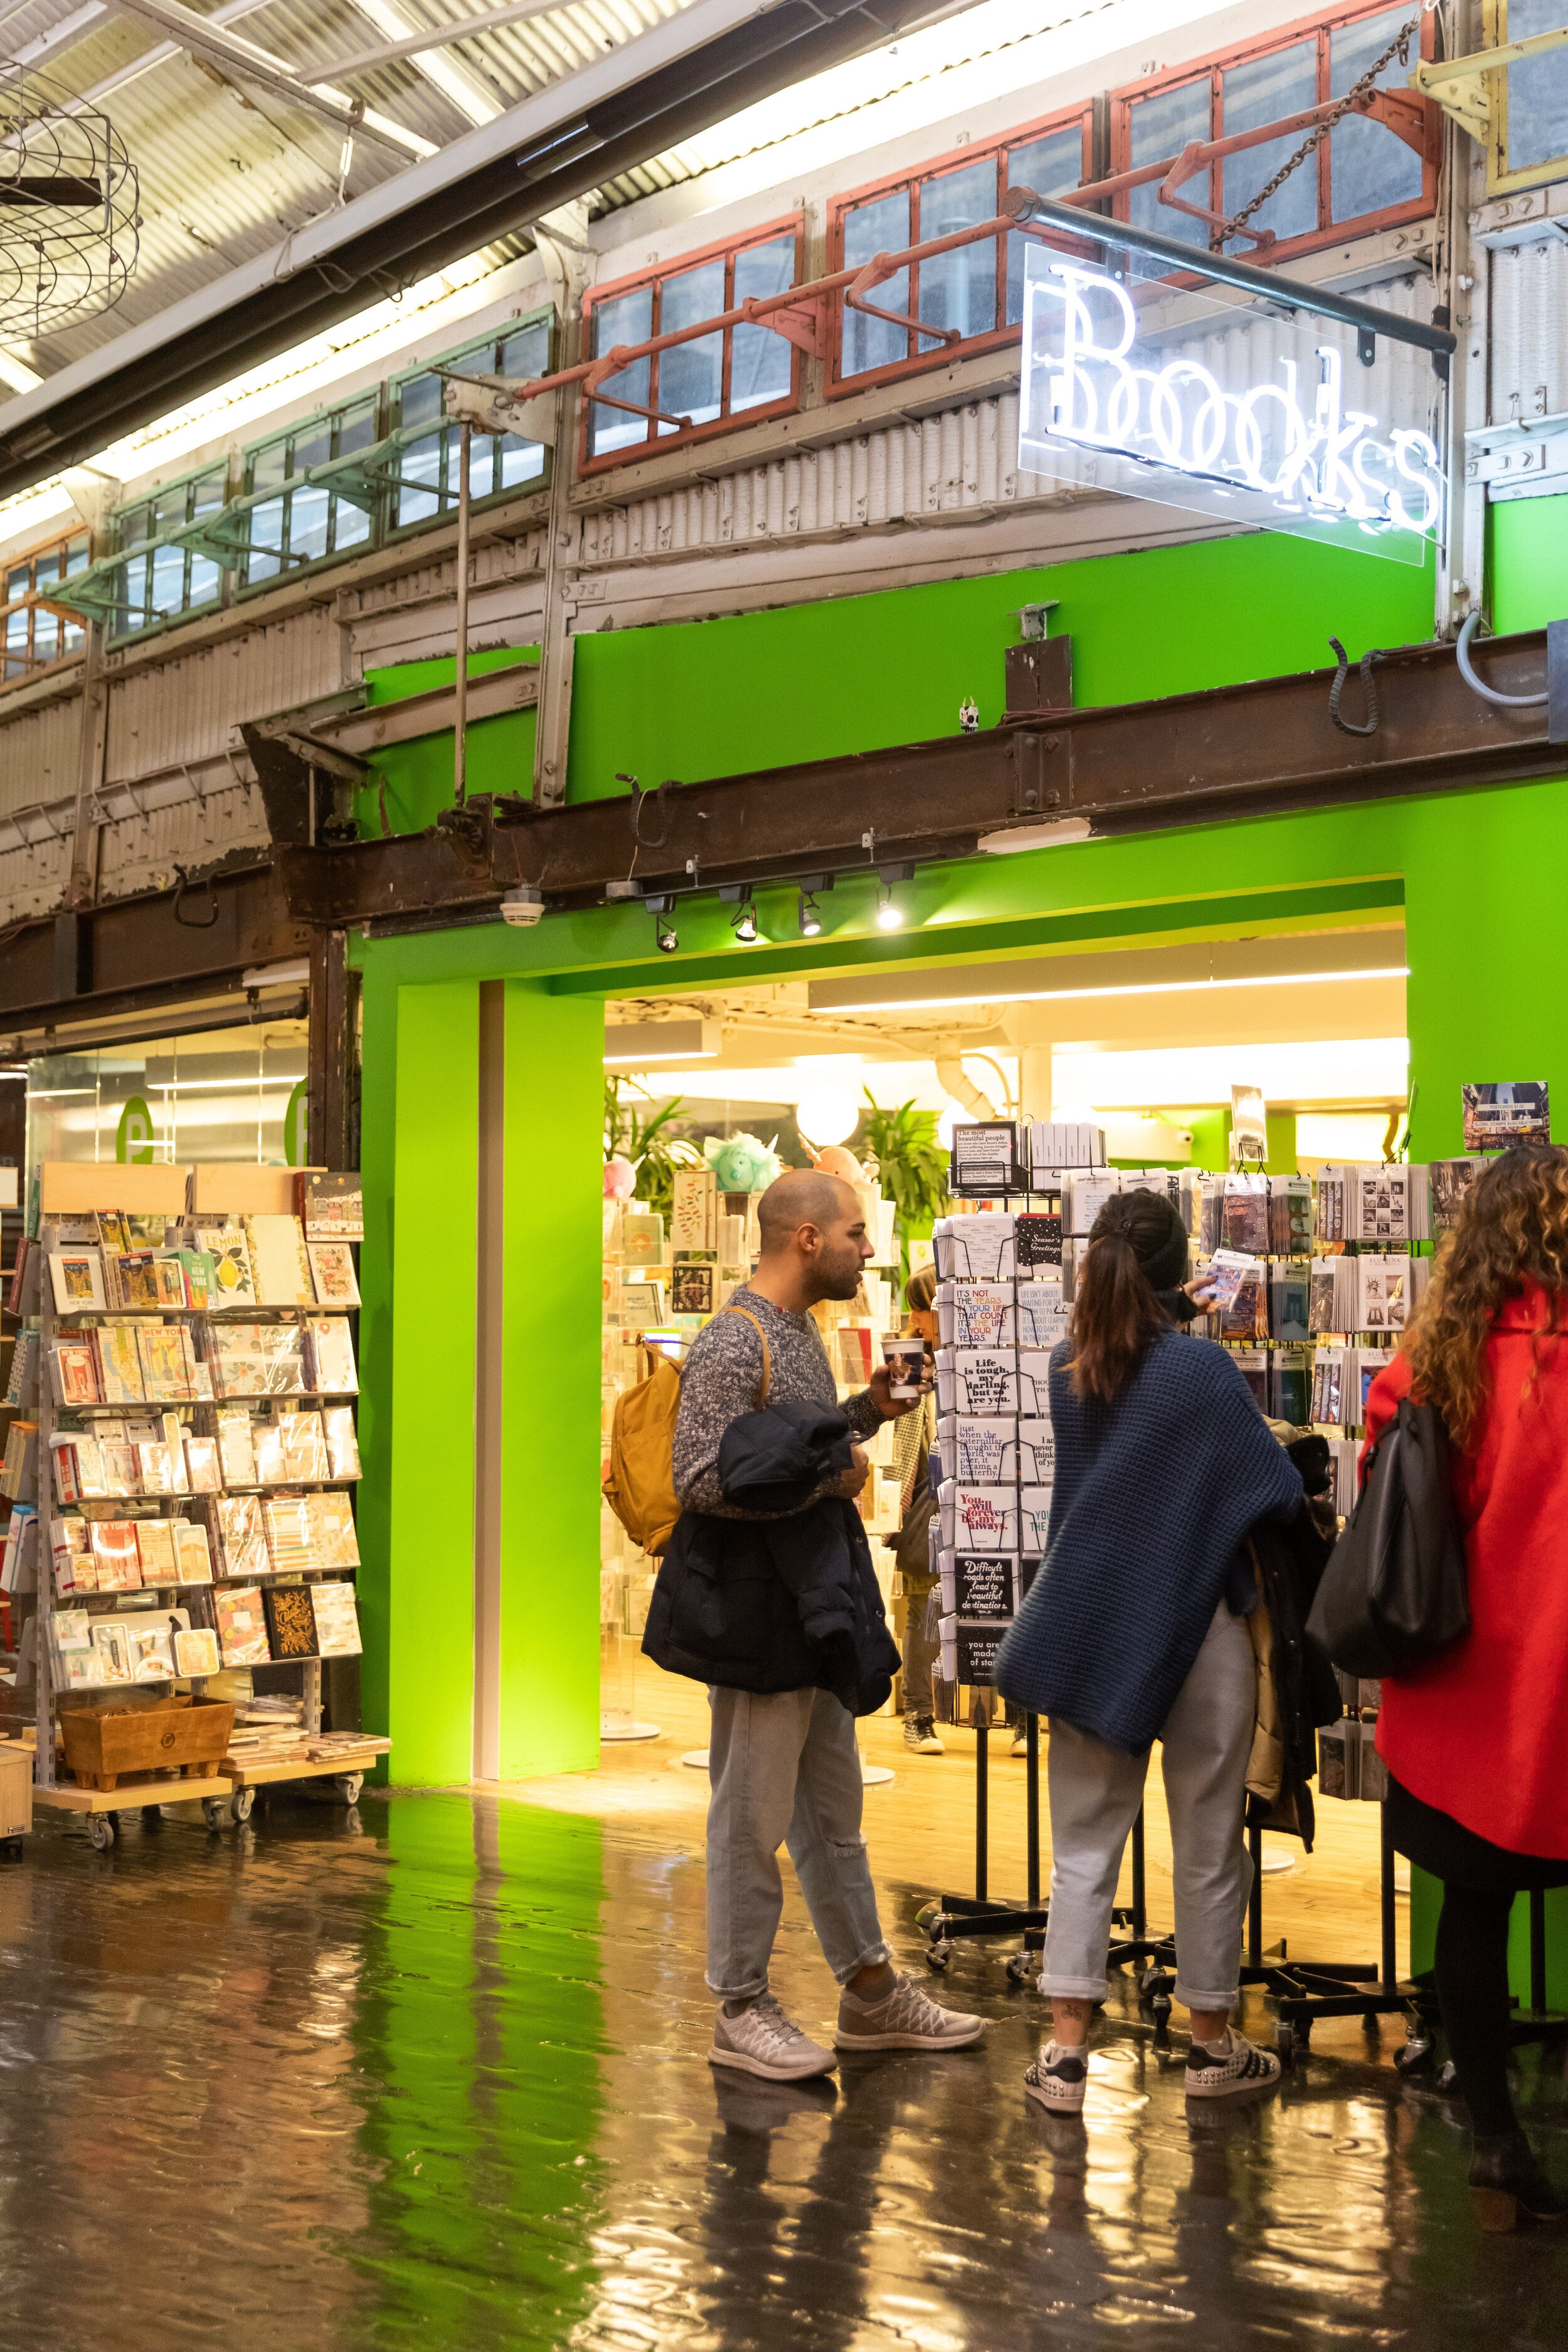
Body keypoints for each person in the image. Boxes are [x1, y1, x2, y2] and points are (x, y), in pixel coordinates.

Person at [647, 1168, 985, 2084]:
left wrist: (865, 1413)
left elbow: (791, 1441)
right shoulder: (732, 1339)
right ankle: (740, 2003)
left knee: (832, 1811)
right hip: (759, 1613)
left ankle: (870, 1987)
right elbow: (702, 1480)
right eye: (855, 1233)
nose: (867, 1248)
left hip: (813, 1608)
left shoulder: (798, 1329)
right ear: (806, 1239)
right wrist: (829, 1478)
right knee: (749, 1816)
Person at [997, 1189, 1306, 2114]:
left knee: (1084, 1845)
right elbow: (1274, 1486)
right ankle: (1212, 2042)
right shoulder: (1203, 1375)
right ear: (1179, 1272)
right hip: (1200, 1631)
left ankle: (1062, 2055)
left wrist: (1173, 1319)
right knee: (1208, 1843)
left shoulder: (1067, 1368)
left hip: (1093, 1631)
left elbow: (1128, 1412)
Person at [1365, 1143, 1568, 2230]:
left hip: (1466, 1686)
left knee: (1472, 1910)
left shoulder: (1442, 1356)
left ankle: (1492, 2129)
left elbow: (1386, 1490)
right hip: (1560, 1685)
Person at [886, 1264, 942, 1755]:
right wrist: (890, 1507)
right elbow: (899, 1440)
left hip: (988, 1492)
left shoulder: (990, 1353)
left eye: (925, 1305)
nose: (918, 1318)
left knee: (1004, 1602)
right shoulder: (908, 1359)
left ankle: (1020, 1720)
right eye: (917, 1308)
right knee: (924, 1607)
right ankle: (919, 1716)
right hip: (927, 1497)